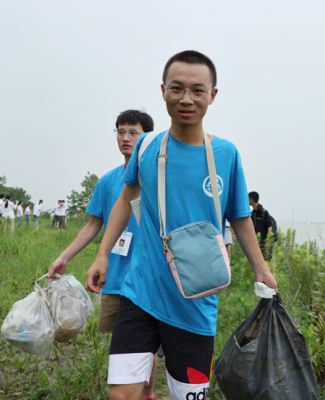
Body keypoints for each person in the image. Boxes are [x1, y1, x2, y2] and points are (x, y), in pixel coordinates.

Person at [85, 51, 277, 400]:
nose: (186, 99)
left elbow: (240, 217)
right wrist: (102, 255)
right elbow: (126, 200)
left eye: (197, 90)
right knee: (122, 395)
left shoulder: (226, 154)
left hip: (195, 303)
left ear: (212, 96)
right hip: (139, 293)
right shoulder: (146, 146)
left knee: (188, 396)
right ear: (163, 91)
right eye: (177, 89)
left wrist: (261, 270)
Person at [48, 109, 158, 400]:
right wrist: (64, 256)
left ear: (147, 137)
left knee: (148, 340)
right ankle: (132, 390)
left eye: (133, 132)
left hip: (149, 274)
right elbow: (94, 223)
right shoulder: (109, 181)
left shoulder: (158, 178)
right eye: (120, 131)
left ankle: (148, 393)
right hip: (116, 274)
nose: (125, 137)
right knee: (124, 340)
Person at [249, 191, 274, 257]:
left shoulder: (264, 212)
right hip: (256, 243)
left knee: (266, 260)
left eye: (247, 199)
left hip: (264, 242)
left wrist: (268, 242)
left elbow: (269, 226)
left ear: (251, 200)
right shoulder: (252, 213)